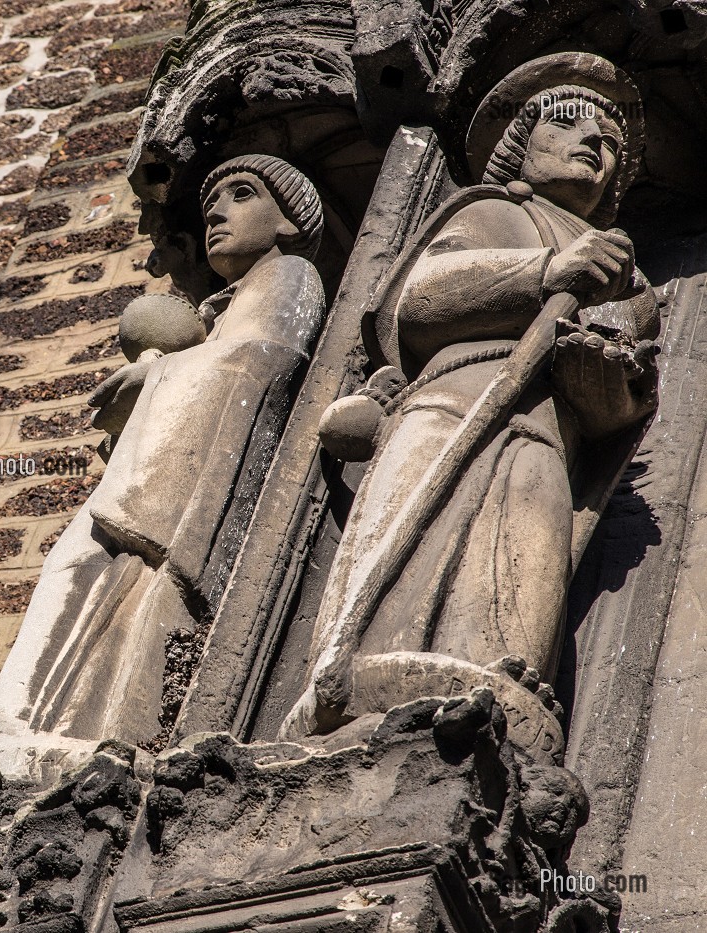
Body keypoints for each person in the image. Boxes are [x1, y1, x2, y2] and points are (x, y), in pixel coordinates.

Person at [283, 53, 659, 758]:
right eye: (572, 124)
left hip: (550, 432)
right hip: (455, 398)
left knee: (519, 574)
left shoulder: (627, 277)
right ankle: (363, 681)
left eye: (611, 147)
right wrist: (549, 272)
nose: (595, 148)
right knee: (417, 542)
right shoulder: (490, 211)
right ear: (522, 141)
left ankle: (499, 700)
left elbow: (621, 392)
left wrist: (612, 377)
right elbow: (421, 302)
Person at [0, 154, 328, 749]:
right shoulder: (231, 300)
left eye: (241, 194)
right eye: (212, 199)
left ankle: (75, 731)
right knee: (76, 570)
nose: (215, 209)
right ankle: (29, 720)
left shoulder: (291, 275)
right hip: (160, 471)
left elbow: (266, 362)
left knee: (104, 578)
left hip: (176, 492)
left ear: (290, 220)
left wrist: (162, 375)